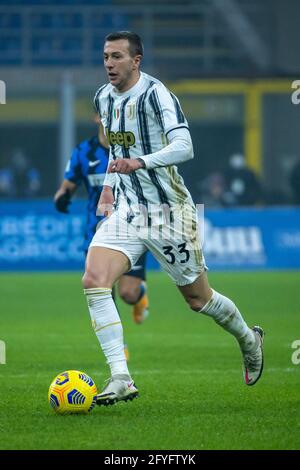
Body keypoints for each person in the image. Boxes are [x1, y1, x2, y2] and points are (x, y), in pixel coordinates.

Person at [83, 31, 265, 406]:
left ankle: (249, 339)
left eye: (117, 57)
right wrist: (110, 186)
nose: (109, 64)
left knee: (199, 299)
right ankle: (120, 376)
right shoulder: (103, 97)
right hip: (129, 210)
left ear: (136, 61)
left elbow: (185, 146)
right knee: (94, 280)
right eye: (105, 57)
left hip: (168, 212)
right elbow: (120, 150)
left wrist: (141, 162)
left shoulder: (157, 94)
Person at [54, 119, 149, 325]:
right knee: (101, 288)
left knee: (128, 294)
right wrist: (62, 198)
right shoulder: (83, 152)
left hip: (130, 227)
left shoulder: (134, 149)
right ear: (97, 117)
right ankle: (118, 346)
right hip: (96, 229)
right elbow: (66, 186)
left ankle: (139, 295)